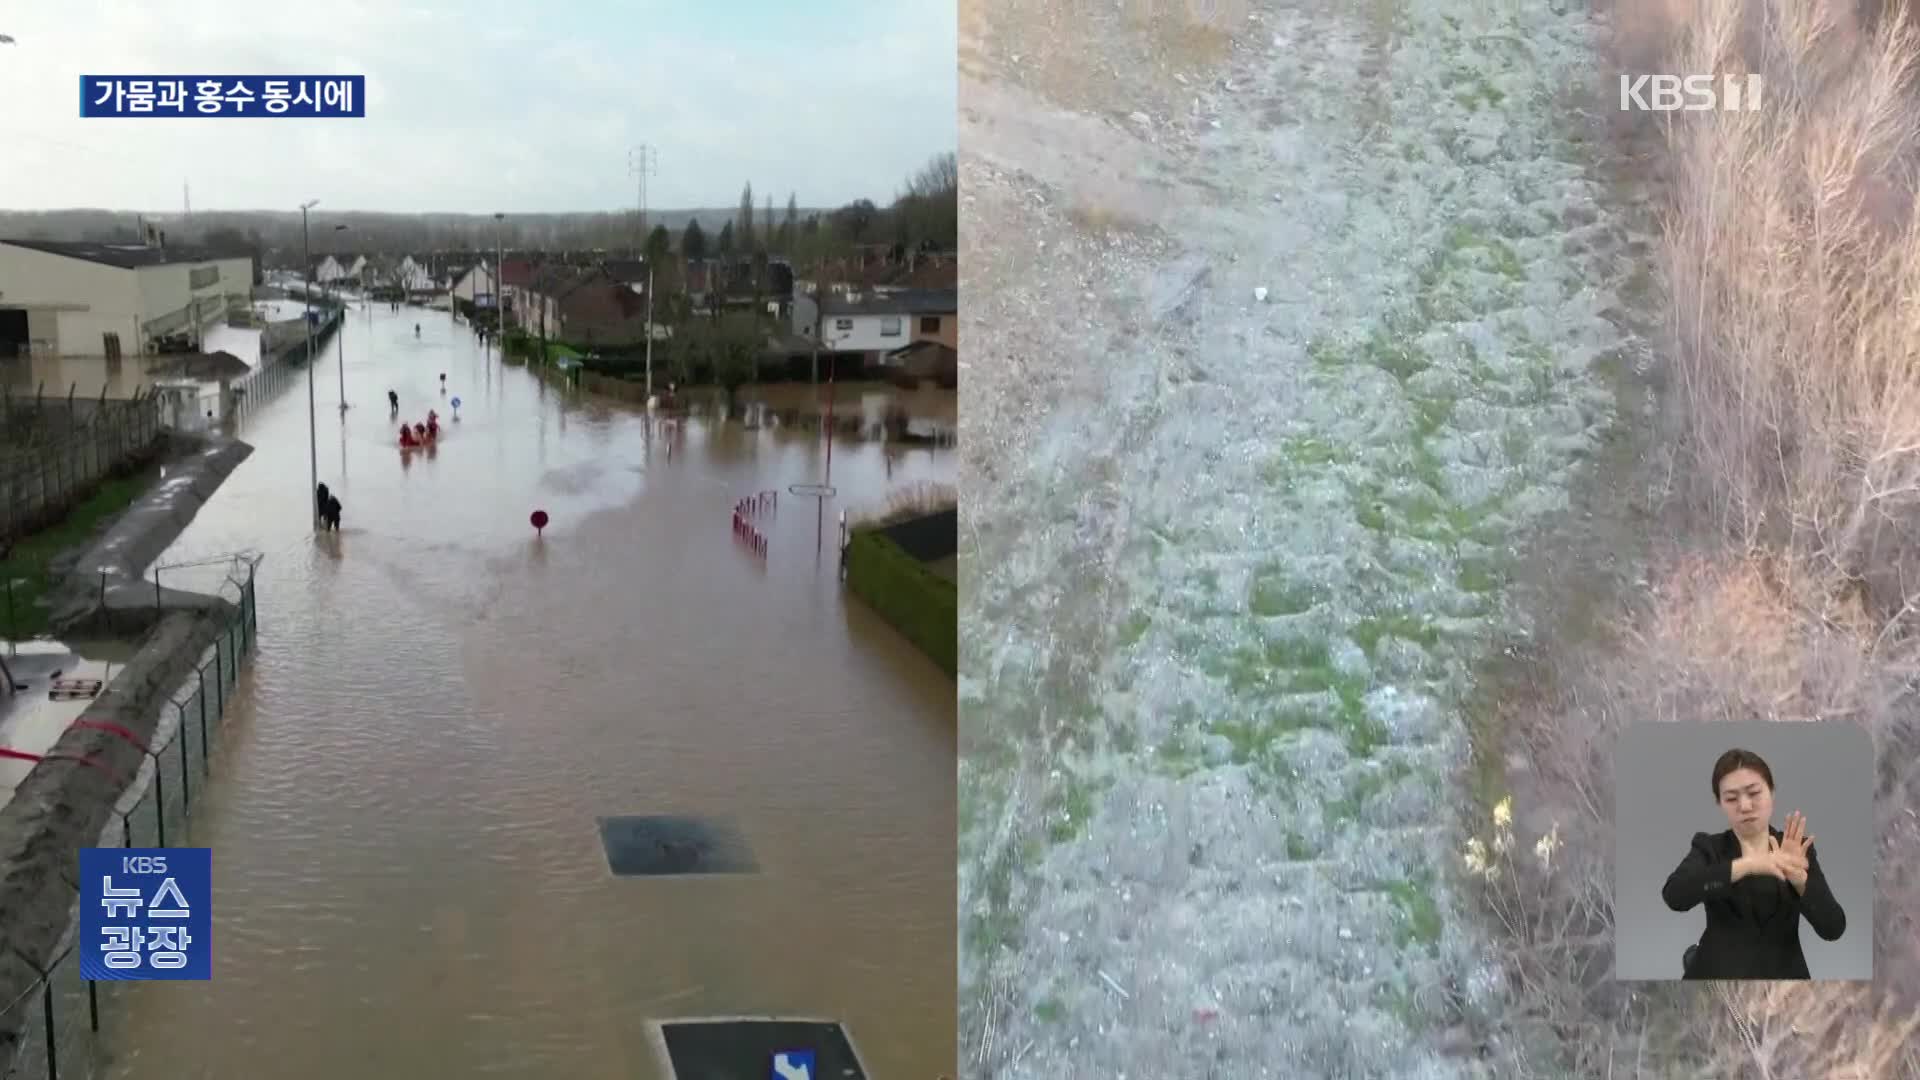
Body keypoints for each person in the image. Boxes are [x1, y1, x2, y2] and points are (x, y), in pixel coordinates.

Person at [1662, 748, 1846, 979]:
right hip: (1717, 976)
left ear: (1771, 793)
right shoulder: (1709, 848)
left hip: (1783, 984)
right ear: (1720, 803)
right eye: (1731, 798)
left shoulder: (1797, 849)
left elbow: (1833, 928)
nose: (1745, 806)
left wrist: (1800, 882)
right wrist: (1747, 865)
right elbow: (1674, 895)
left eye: (1754, 793)